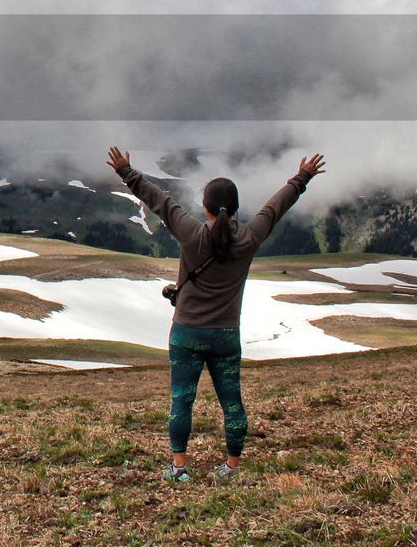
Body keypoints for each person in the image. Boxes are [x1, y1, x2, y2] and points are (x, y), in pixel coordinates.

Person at [106, 146, 326, 483]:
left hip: (187, 332)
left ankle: (179, 469)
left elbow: (160, 202)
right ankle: (231, 468)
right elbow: (275, 208)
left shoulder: (191, 232)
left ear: (205, 207)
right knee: (232, 402)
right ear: (236, 208)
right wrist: (303, 177)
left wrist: (127, 171)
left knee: (182, 400)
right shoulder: (250, 238)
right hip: (225, 335)